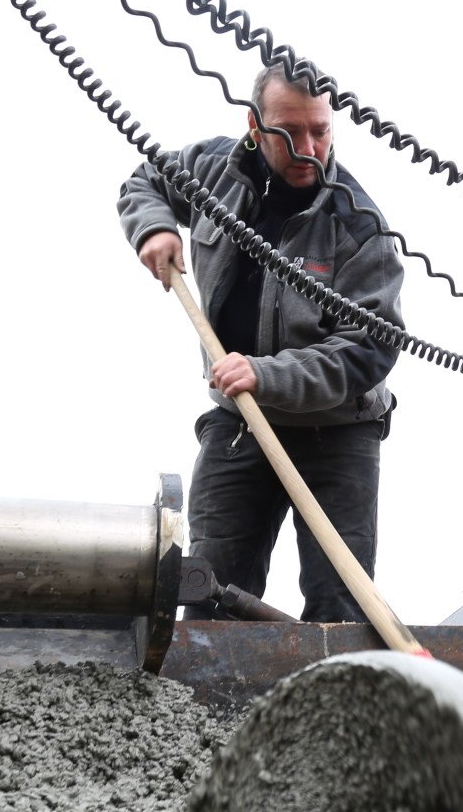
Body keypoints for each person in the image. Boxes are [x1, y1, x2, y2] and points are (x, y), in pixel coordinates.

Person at [116, 63, 402, 621]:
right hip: (238, 423)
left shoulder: (362, 225)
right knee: (208, 589)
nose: (308, 149)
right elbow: (143, 181)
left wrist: (268, 375)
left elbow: (371, 348)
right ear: (254, 125)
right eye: (289, 133)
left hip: (337, 434)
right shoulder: (210, 171)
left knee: (340, 607)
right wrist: (153, 226)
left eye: (320, 131)